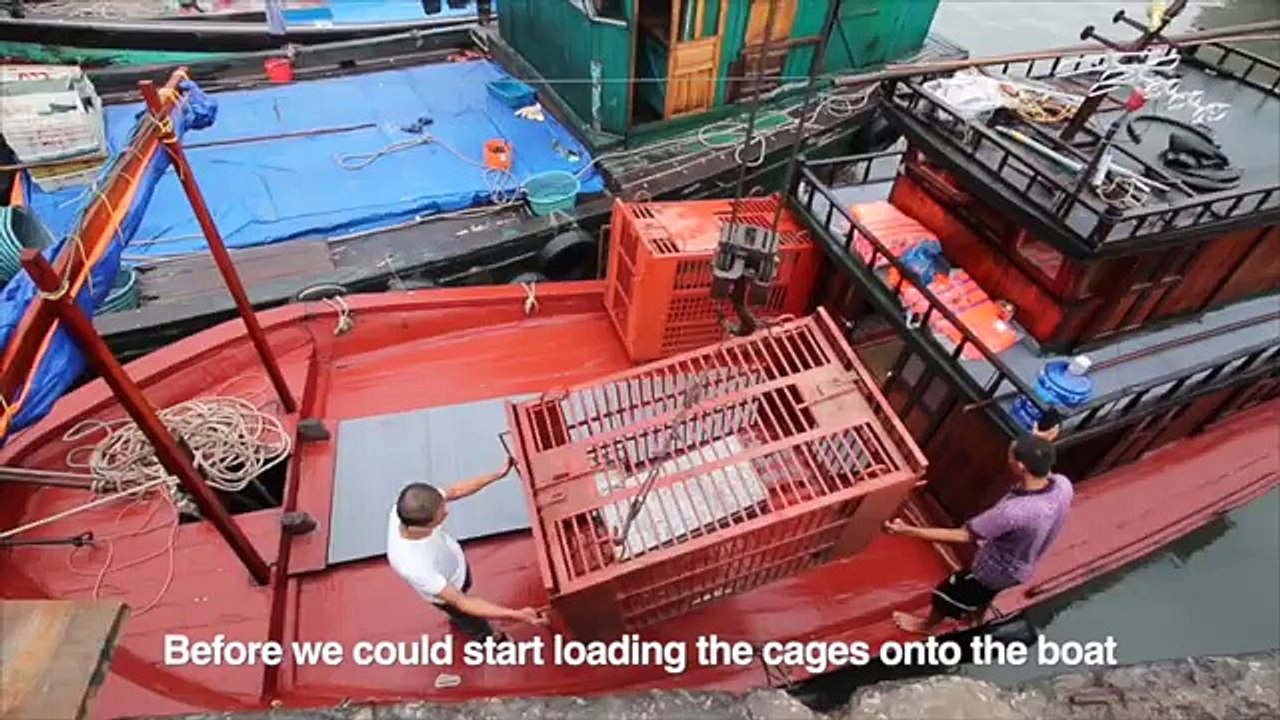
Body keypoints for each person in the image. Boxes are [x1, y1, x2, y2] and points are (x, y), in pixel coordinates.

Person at [884, 433, 1073, 635]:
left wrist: (909, 531)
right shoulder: (1062, 485)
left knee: (948, 594)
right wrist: (1038, 444)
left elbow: (964, 536)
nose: (1006, 458)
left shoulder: (1014, 512)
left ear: (1020, 466)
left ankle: (926, 626)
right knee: (986, 593)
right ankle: (977, 615)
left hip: (994, 570)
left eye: (1010, 455)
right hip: (1022, 567)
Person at [387, 456, 547, 641]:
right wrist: (518, 615)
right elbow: (462, 602)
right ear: (422, 526)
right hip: (447, 590)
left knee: (464, 598)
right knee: (469, 619)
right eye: (441, 513)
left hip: (455, 567)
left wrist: (497, 475)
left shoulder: (407, 511)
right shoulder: (417, 567)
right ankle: (490, 639)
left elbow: (454, 490)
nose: (446, 511)